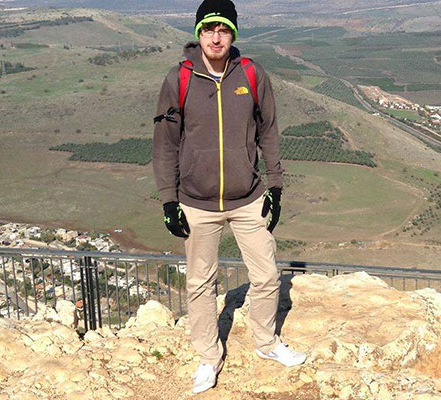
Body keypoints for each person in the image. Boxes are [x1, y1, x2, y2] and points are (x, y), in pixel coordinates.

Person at [152, 0, 306, 394]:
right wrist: (169, 200)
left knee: (267, 276)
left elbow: (268, 131)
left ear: (233, 33)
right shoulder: (179, 78)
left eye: (223, 29)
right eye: (209, 29)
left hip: (248, 198)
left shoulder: (251, 73)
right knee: (200, 283)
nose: (216, 37)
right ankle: (208, 357)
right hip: (196, 201)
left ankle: (267, 343)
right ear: (198, 33)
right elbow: (166, 143)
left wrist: (275, 187)